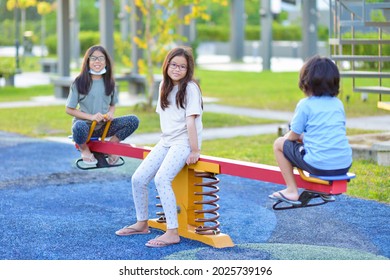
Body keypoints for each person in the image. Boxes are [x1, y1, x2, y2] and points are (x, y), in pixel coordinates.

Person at [115, 46, 203, 248]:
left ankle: (172, 232)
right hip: (166, 141)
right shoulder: (164, 84)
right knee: (138, 178)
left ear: (188, 69)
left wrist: (195, 150)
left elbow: (191, 123)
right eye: (174, 64)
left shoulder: (190, 88)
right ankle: (142, 223)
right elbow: (167, 118)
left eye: (182, 66)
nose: (177, 69)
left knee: (162, 178)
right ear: (167, 65)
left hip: (184, 142)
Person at [269, 55, 352, 205]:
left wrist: (292, 137)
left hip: (320, 164)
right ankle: (323, 189)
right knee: (308, 148)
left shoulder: (305, 104)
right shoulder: (338, 104)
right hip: (344, 163)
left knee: (279, 144)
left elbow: (292, 136)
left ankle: (291, 190)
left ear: (306, 82)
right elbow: (327, 132)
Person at [66, 45, 139, 165]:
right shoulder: (79, 82)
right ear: (87, 61)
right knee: (78, 127)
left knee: (133, 120)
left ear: (106, 62)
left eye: (101, 58)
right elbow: (69, 109)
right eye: (93, 58)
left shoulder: (110, 82)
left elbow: (112, 104)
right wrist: (91, 117)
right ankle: (84, 149)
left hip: (104, 126)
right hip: (85, 126)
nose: (97, 61)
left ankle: (112, 146)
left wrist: (110, 113)